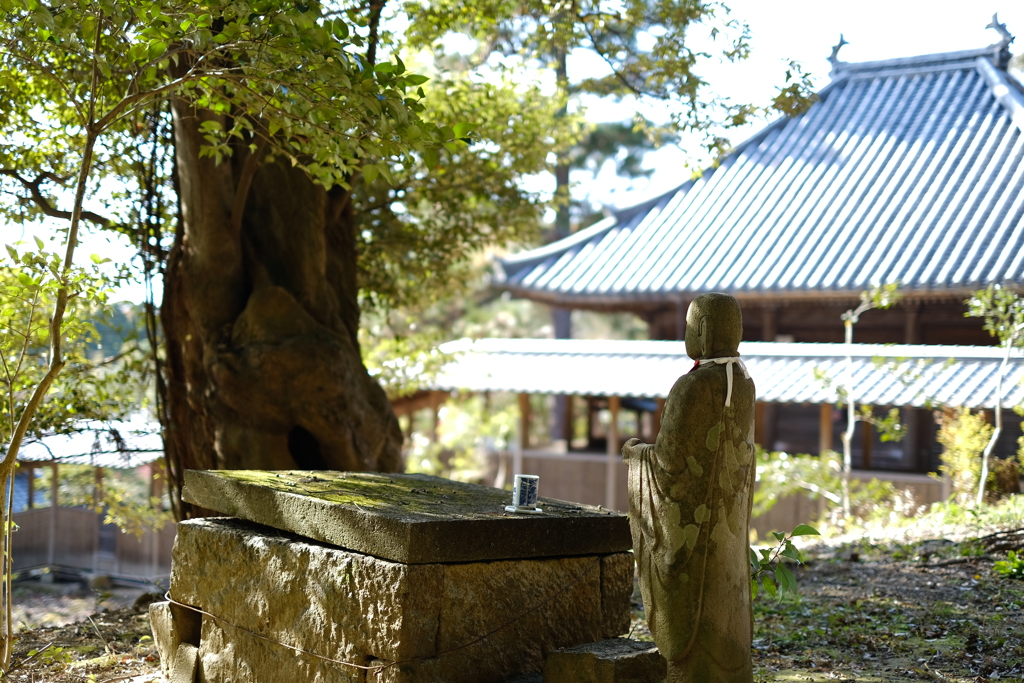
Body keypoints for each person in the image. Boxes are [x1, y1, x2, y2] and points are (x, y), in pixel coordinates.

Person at [622, 292, 756, 683]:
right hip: (727, 530)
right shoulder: (744, 382)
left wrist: (636, 456)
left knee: (690, 603)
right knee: (725, 594)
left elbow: (669, 464)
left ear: (700, 329)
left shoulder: (692, 386)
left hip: (696, 535)